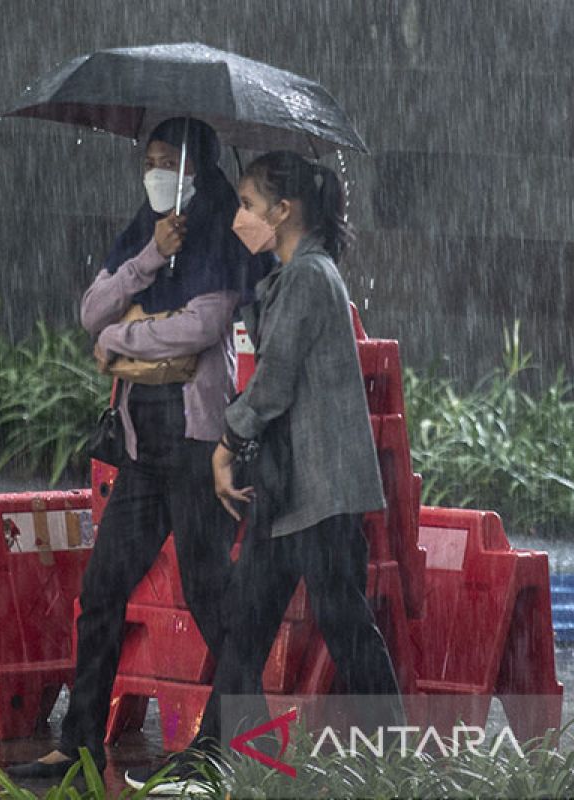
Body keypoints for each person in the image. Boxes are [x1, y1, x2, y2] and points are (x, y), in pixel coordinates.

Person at [125, 150, 404, 795]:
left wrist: (225, 442)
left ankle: (395, 759)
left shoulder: (310, 277)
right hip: (284, 488)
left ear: (282, 212)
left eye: (249, 206)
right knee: (244, 627)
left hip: (322, 488)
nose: (240, 217)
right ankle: (218, 758)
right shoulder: (287, 276)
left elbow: (274, 384)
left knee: (344, 622)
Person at [6, 118, 270, 781]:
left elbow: (202, 326)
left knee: (210, 593)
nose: (155, 174)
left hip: (197, 444)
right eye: (148, 160)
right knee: (102, 589)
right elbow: (92, 308)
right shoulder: (147, 227)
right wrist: (149, 256)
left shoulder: (218, 229)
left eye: (167, 163)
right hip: (141, 450)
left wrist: (124, 340)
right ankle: (79, 742)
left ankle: (240, 739)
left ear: (197, 169)